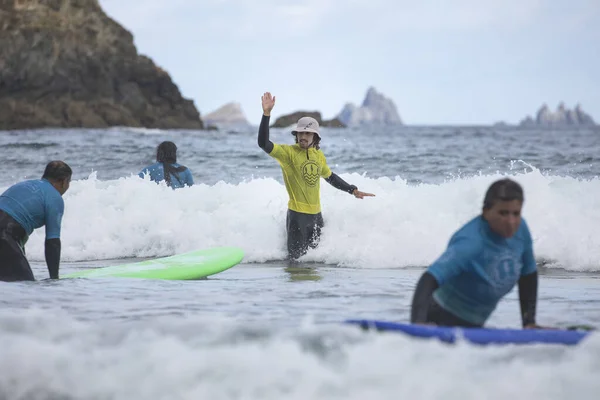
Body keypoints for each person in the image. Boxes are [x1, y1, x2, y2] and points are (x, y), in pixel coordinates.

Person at [410, 178, 542, 329]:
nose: (511, 221)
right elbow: (428, 279)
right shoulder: (470, 242)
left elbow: (528, 275)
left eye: (516, 213)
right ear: (486, 212)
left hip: (475, 326)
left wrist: (529, 322)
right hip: (438, 318)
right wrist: (418, 326)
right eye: (503, 213)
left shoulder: (521, 230)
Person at [258, 91, 375, 259]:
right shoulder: (287, 153)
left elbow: (330, 177)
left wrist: (352, 190)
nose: (303, 136)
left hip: (317, 218)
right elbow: (263, 143)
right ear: (296, 135)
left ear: (315, 137)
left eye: (308, 133)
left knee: (315, 266)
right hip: (297, 217)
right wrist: (266, 114)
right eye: (300, 133)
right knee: (295, 265)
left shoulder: (319, 156)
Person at [0, 161, 72, 281]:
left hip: (6, 234)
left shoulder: (24, 185)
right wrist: (54, 279)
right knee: (24, 284)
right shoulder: (54, 197)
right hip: (5, 234)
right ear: (63, 181)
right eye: (69, 182)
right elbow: (52, 242)